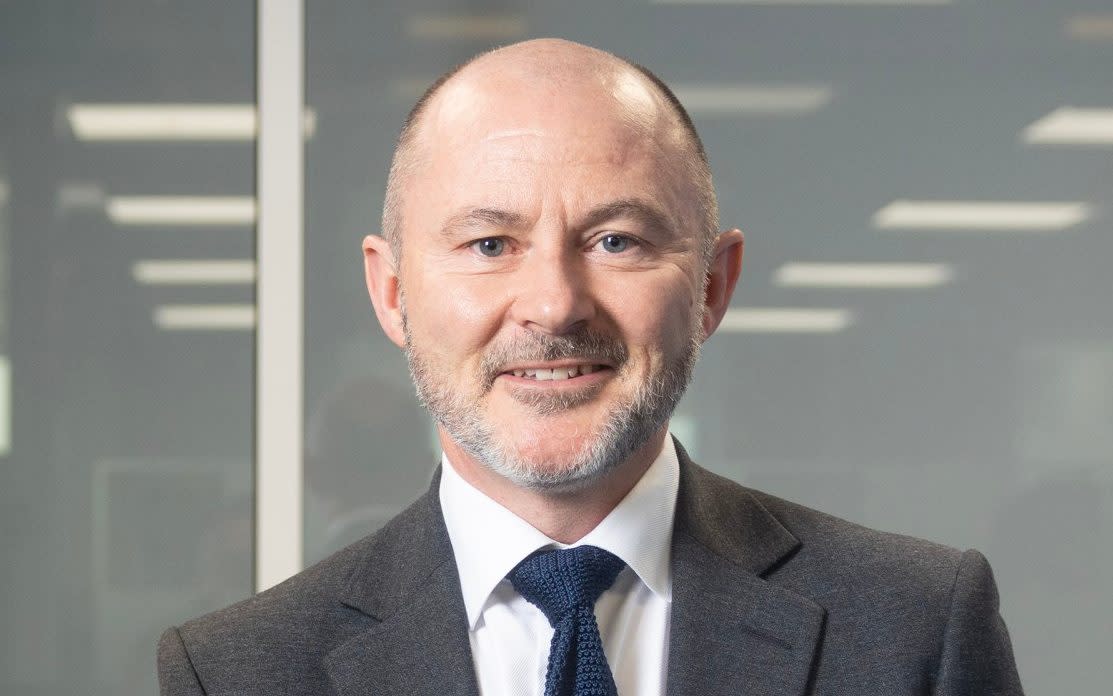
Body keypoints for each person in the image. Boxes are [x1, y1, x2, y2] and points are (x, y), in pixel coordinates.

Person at [157, 38, 1023, 695]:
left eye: (616, 240)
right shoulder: (238, 672)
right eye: (488, 242)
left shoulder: (914, 628)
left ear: (712, 286)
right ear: (391, 293)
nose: (554, 303)